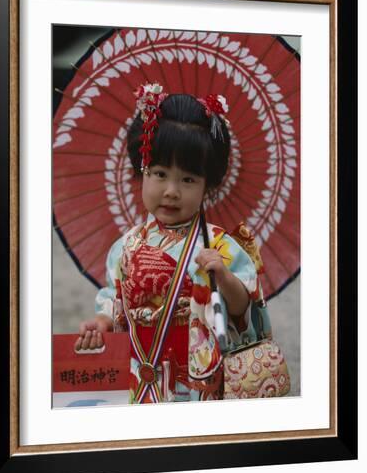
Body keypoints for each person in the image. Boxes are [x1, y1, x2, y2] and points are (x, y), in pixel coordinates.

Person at [75, 83, 260, 403]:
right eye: (160, 174)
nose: (172, 190)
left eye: (188, 179)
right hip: (140, 364)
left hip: (196, 370)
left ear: (208, 185)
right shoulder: (125, 246)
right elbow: (113, 295)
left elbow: (249, 312)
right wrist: (103, 320)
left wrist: (226, 277)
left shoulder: (220, 245)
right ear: (141, 170)